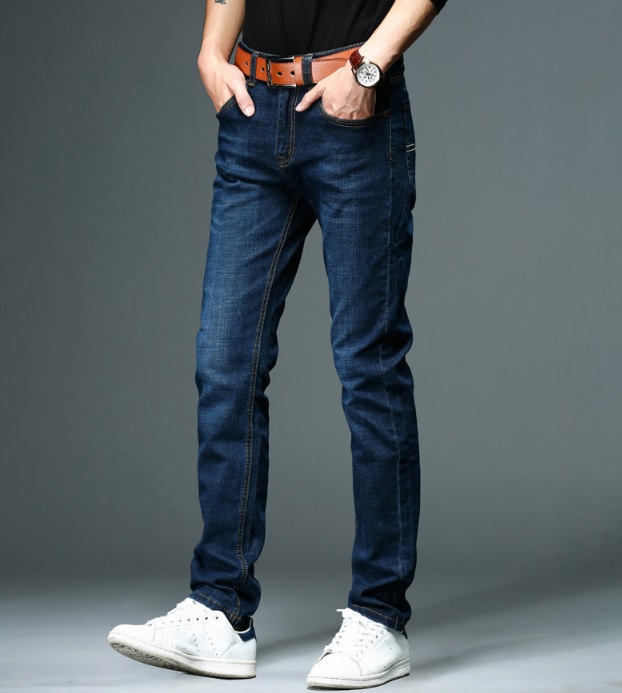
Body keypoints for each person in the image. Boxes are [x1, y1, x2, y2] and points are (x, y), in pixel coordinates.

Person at [107, 0, 447, 688]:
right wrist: (211, 53)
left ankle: (379, 615)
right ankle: (221, 609)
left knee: (369, 366)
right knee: (224, 363)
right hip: (253, 114)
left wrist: (369, 68)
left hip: (354, 111)